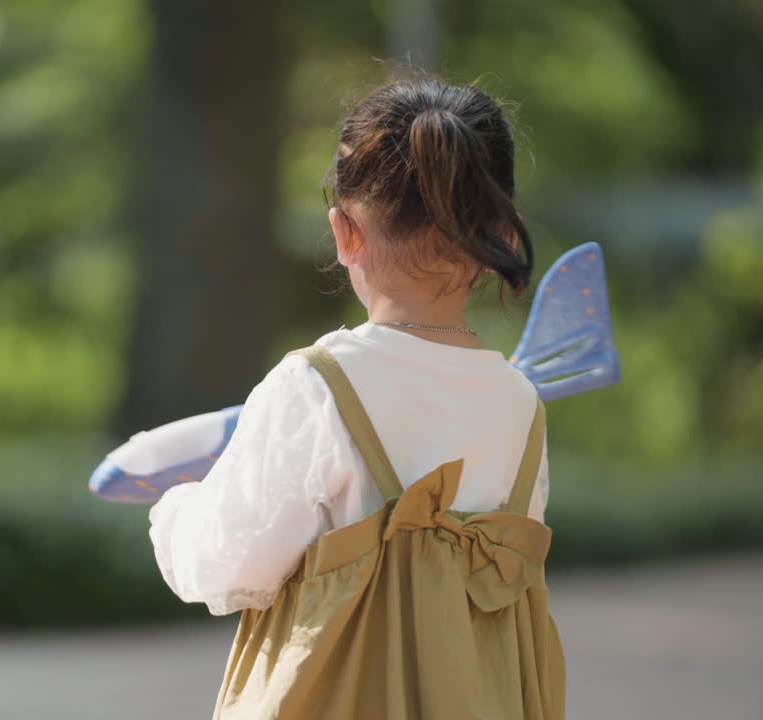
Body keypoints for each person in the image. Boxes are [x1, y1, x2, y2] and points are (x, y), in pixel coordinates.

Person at [147, 73, 565, 719]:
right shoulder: (518, 400)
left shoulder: (317, 385)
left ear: (345, 232)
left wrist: (176, 508)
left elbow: (230, 567)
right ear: (501, 239)